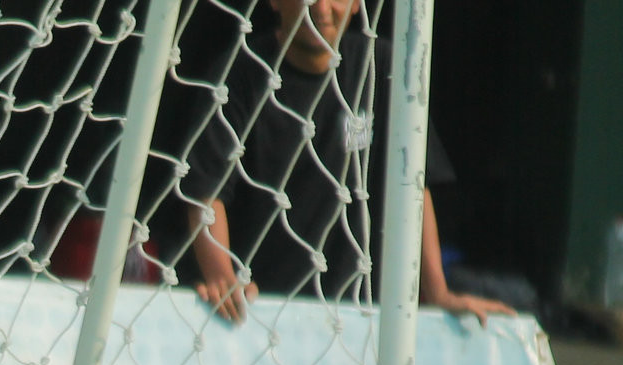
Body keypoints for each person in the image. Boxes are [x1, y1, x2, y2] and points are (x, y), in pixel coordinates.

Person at [153, 0, 510, 324]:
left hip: (354, 316)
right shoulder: (240, 73)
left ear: (356, 5)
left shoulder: (382, 68)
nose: (321, 8)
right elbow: (206, 192)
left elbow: (415, 186)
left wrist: (438, 292)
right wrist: (222, 276)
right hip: (259, 310)